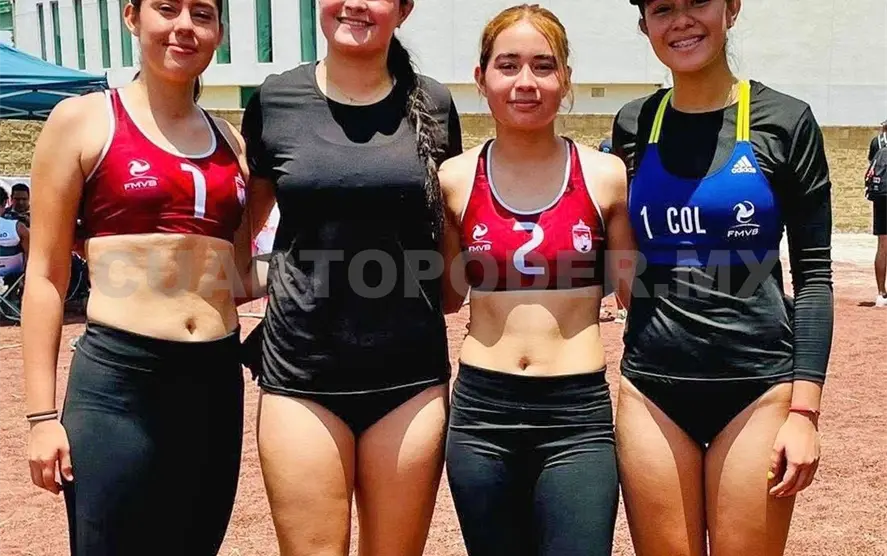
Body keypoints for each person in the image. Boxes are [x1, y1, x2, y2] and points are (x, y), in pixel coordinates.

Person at [21, 0, 255, 553]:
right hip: (121, 385)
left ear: (219, 31)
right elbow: (46, 275)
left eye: (202, 14)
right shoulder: (83, 120)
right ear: (132, 16)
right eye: (167, 8)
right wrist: (41, 417)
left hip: (214, 384)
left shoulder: (232, 142)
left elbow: (240, 273)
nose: (184, 27)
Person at [238, 0, 462, 554]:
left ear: (403, 10)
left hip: (409, 382)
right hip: (301, 380)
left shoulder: (435, 103)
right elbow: (239, 240)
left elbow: (449, 250)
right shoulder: (274, 100)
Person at [612, 1, 833, 555]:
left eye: (698, 3)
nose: (681, 20)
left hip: (757, 391)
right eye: (663, 8)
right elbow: (624, 260)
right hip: (652, 392)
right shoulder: (634, 123)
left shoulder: (785, 120)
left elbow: (813, 276)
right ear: (644, 25)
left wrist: (804, 412)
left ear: (731, 9)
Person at [439, 5, 635, 555]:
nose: (525, 81)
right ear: (481, 78)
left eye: (543, 66)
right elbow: (448, 296)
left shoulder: (606, 176)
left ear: (565, 78)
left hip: (576, 415)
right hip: (483, 413)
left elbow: (634, 294)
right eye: (508, 65)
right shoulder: (455, 178)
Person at [868, 119, 887, 306]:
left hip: (882, 197)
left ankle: (881, 293)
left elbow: (872, 165)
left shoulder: (878, 142)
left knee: (883, 244)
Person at [0, 186, 29, 287]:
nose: (21, 202)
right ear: (10, 199)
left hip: (17, 276)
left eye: (24, 199)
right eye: (17, 199)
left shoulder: (38, 215)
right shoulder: (5, 214)